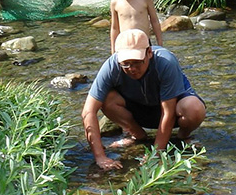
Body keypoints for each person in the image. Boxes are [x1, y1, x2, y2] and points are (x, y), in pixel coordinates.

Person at [82, 29, 205, 170]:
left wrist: (156, 153)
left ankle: (181, 137)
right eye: (126, 64)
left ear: (149, 53)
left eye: (137, 62)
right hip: (139, 109)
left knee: (193, 108)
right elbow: (88, 111)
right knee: (106, 99)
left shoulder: (166, 62)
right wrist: (100, 157)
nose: (132, 68)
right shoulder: (111, 67)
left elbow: (168, 112)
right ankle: (138, 135)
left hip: (171, 110)